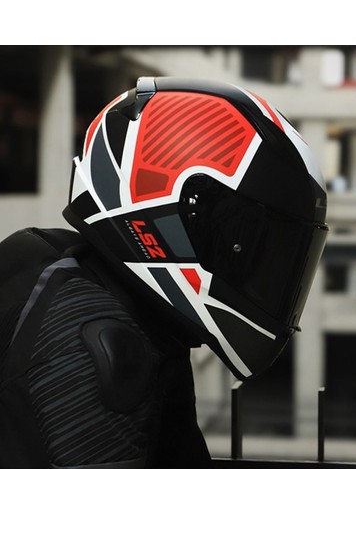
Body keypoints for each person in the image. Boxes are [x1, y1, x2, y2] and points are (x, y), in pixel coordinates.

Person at [0, 76, 328, 468]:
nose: (258, 266)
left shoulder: (103, 294)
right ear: (174, 210)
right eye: (244, 244)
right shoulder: (96, 342)